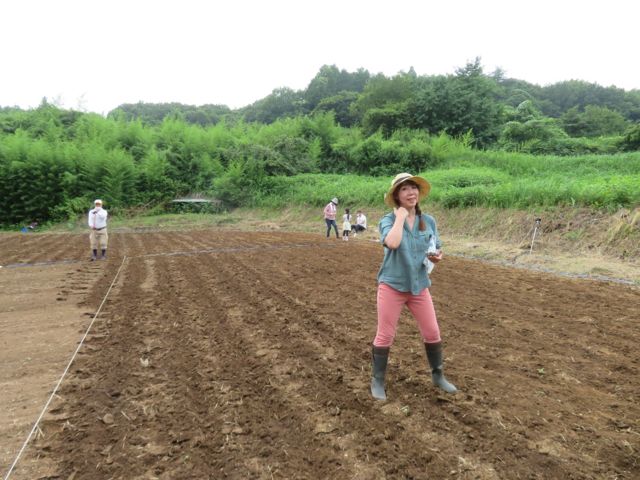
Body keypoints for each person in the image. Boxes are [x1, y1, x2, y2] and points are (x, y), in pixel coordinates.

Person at [370, 173, 457, 401]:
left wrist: (437, 256)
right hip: (393, 285)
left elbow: (436, 247)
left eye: (414, 188)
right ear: (397, 196)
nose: (411, 192)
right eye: (405, 189)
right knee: (385, 334)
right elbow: (392, 242)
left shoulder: (428, 221)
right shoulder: (388, 221)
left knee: (432, 332)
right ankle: (377, 381)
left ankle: (438, 376)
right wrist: (400, 217)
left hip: (419, 286)